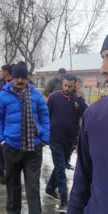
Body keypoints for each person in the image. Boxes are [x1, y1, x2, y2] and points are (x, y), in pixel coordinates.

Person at [0, 61, 50, 214]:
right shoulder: (2, 96)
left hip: (33, 148)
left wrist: (45, 138)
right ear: (12, 77)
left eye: (23, 77)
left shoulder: (36, 95)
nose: (20, 80)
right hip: (11, 147)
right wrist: (2, 140)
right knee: (13, 186)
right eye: (17, 77)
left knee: (33, 186)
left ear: (27, 78)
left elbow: (45, 116)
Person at [67, 35, 108, 214]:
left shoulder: (82, 102)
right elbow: (82, 183)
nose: (103, 69)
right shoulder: (95, 115)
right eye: (104, 58)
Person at [45, 74, 87, 212]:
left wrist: (80, 97)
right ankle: (64, 201)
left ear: (75, 85)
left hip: (69, 140)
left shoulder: (78, 99)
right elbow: (46, 116)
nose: (67, 88)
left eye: (70, 86)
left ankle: (50, 188)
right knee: (61, 169)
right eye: (65, 85)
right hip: (55, 138)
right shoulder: (54, 97)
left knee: (60, 166)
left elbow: (86, 114)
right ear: (62, 83)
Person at [0, 64, 13, 183]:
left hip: (11, 120)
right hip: (1, 119)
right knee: (1, 146)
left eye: (1, 71)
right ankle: (0, 170)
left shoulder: (15, 83)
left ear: (6, 72)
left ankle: (8, 169)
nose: (0, 72)